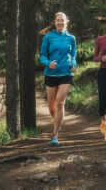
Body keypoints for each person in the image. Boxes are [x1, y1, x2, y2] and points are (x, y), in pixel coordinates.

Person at [39, 12, 77, 146]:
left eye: (62, 20)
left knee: (60, 103)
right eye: (58, 20)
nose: (60, 22)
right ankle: (57, 121)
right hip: (51, 74)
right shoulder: (48, 37)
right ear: (55, 23)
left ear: (66, 21)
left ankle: (54, 134)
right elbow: (42, 56)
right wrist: (48, 63)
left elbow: (73, 55)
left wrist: (74, 64)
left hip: (66, 73)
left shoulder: (71, 38)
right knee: (52, 106)